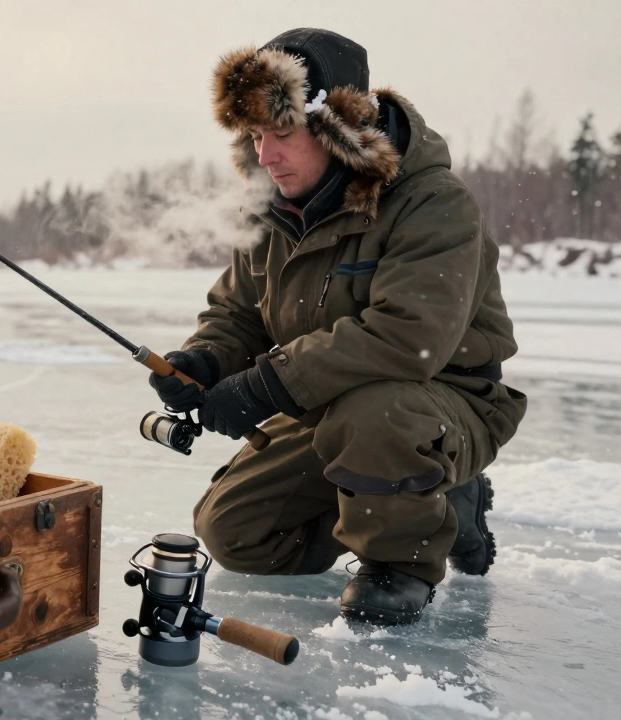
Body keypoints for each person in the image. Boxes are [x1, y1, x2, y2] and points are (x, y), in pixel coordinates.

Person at [149, 28, 527, 625]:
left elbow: (407, 338)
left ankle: (401, 558)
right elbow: (238, 313)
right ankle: (417, 499)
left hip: (445, 401)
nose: (265, 154)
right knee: (235, 532)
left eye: (282, 134)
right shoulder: (273, 211)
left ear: (337, 129)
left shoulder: (433, 202)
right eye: (254, 136)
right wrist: (206, 361)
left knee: (374, 412)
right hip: (331, 402)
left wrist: (263, 387)